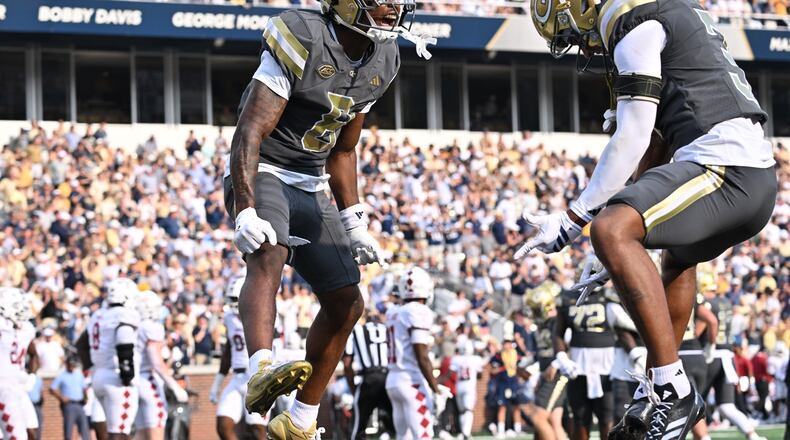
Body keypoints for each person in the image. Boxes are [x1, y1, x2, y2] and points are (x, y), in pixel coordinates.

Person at [525, 0, 777, 436]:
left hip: (727, 170)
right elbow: (654, 149)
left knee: (609, 227)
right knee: (674, 258)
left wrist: (574, 221)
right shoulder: (667, 16)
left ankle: (673, 390)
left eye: (573, 37)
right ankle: (656, 392)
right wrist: (617, 241)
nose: (585, 51)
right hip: (744, 172)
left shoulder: (635, 26)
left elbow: (634, 136)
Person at [224, 0, 433, 437]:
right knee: (268, 252)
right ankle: (261, 369)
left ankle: (300, 420)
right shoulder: (304, 34)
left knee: (348, 303)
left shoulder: (384, 57)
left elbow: (342, 149)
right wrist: (245, 209)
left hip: (312, 182)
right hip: (266, 168)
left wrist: (354, 218)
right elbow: (250, 129)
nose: (393, 7)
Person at [700, 280, 764, 440]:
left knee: (695, 400)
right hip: (728, 357)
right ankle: (753, 435)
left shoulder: (707, 304)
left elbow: (703, 327)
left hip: (712, 355)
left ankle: (702, 437)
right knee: (727, 406)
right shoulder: (727, 302)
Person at [385, 267, 441, 440]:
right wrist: (435, 387)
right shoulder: (418, 311)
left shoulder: (392, 312)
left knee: (404, 436)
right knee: (423, 435)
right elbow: (421, 355)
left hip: (393, 380)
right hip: (411, 381)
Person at [82, 278, 141, 440]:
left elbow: (81, 344)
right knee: (120, 431)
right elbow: (124, 342)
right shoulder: (124, 315)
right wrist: (127, 376)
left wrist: (93, 368)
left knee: (112, 430)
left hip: (99, 375)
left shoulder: (99, 315)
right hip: (116, 377)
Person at [554, 285, 615, 440]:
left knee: (607, 416)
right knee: (580, 416)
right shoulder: (569, 298)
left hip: (607, 364)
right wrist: (561, 357)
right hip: (578, 365)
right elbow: (558, 332)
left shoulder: (611, 295)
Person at [210, 277, 267, 440]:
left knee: (257, 431)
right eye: (232, 300)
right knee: (223, 426)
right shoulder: (229, 318)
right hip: (237, 377)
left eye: (236, 299)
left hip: (257, 378)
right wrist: (217, 384)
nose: (234, 304)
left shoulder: (262, 314)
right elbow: (228, 350)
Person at [135, 290, 189, 440]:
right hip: (148, 380)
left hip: (135, 382)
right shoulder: (151, 327)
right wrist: (174, 386)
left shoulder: (134, 325)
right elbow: (156, 362)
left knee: (141, 433)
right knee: (156, 429)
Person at [524, 282, 568, 440]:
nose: (533, 313)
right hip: (547, 374)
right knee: (553, 421)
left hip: (556, 374)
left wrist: (556, 364)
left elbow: (567, 346)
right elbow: (541, 352)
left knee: (538, 417)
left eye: (536, 309)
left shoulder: (557, 321)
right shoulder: (543, 325)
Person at [343, 315, 393, 439]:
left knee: (359, 427)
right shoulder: (387, 328)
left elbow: (347, 363)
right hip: (389, 378)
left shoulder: (356, 330)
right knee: (397, 425)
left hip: (369, 379)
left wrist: (353, 388)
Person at [0, 288, 40, 440]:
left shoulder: (26, 328)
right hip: (3, 386)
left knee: (30, 427)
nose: (22, 308)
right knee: (15, 435)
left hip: (16, 385)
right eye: (17, 305)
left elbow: (34, 354)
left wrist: (31, 376)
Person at [449, 341, 484, 440]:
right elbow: (480, 375)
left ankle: (463, 432)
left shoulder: (456, 359)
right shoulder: (476, 359)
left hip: (459, 386)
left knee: (462, 411)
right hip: (469, 387)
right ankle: (466, 433)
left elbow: (450, 373)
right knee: (468, 410)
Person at [50, 356, 90, 440]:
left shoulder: (79, 375)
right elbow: (52, 389)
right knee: (68, 431)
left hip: (80, 405)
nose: (72, 366)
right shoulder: (62, 376)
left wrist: (86, 398)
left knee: (85, 431)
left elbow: (84, 388)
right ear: (67, 365)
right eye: (70, 364)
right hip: (69, 405)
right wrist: (61, 397)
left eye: (73, 365)